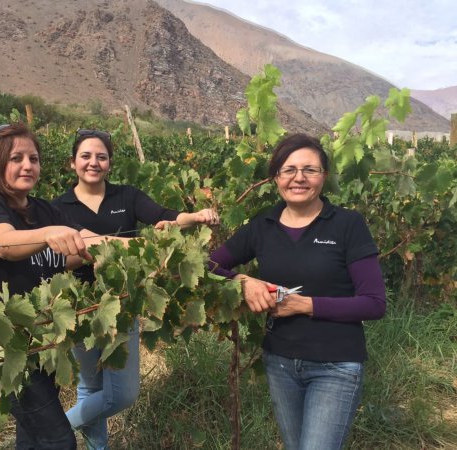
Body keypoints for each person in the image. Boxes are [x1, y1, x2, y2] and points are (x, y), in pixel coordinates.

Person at [209, 133, 386, 450]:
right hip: (279, 363)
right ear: (275, 176)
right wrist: (243, 281)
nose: (299, 178)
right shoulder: (262, 225)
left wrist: (306, 305)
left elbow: (374, 304)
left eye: (310, 170)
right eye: (288, 169)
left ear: (324, 177)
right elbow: (207, 265)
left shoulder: (347, 225)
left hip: (336, 365)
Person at [52, 129, 219, 449]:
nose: (93, 162)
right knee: (90, 386)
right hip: (80, 308)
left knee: (123, 394)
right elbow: (65, 257)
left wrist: (196, 216)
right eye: (85, 156)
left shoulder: (126, 197)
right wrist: (134, 246)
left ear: (110, 163)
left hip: (123, 303)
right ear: (72, 162)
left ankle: (52, 432)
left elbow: (164, 219)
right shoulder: (59, 207)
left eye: (101, 156)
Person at [0, 123, 122, 449]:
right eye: (16, 158)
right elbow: (3, 243)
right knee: (59, 441)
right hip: (1, 347)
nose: (27, 166)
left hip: (38, 340)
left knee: (32, 438)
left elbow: (85, 242)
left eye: (33, 158)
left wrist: (135, 247)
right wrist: (46, 235)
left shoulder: (42, 210)